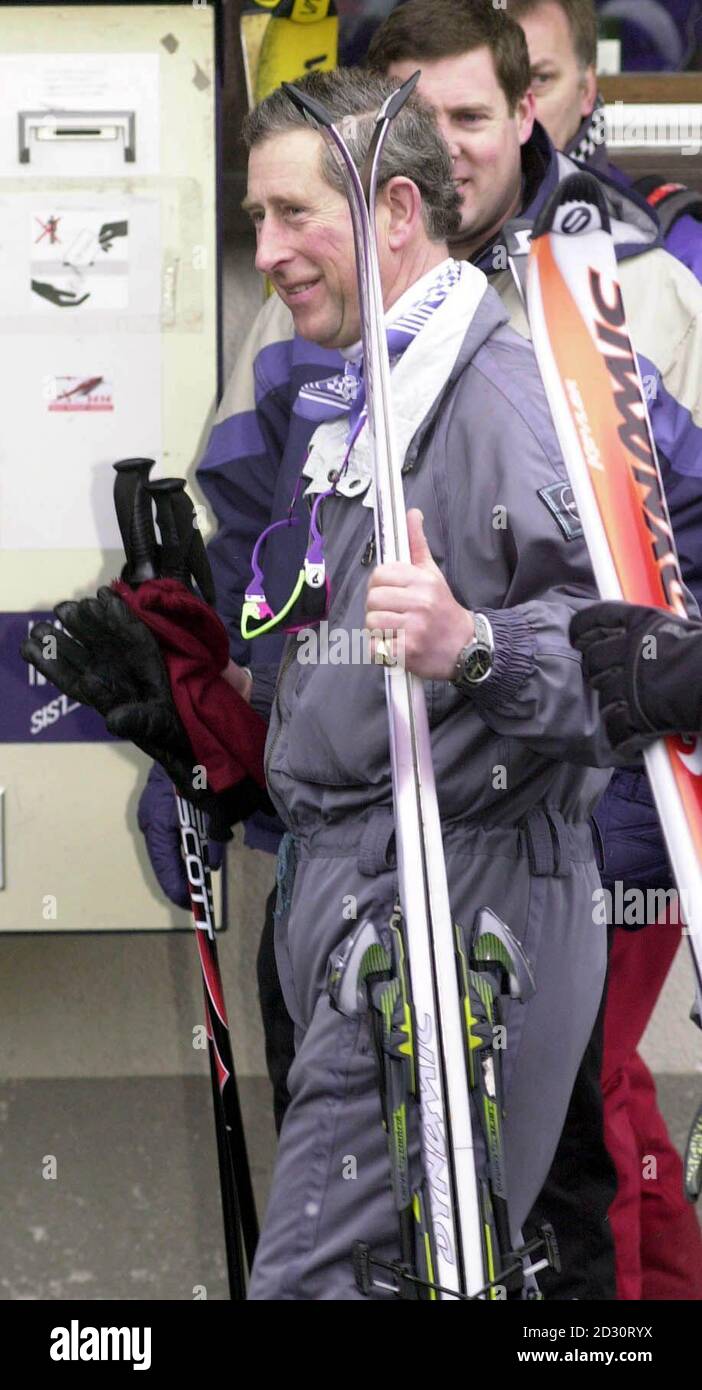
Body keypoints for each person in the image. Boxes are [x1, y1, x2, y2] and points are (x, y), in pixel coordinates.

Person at [235, 61, 622, 1301]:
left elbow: (627, 656)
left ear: (397, 212)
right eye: (256, 219)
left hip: (460, 903)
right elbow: (333, 651)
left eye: (298, 214)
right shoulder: (362, 395)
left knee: (330, 1283)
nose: (269, 248)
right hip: (363, 889)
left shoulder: (497, 398)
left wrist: (477, 644)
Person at [508, 0, 702, 1299]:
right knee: (573, 1094)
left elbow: (677, 530)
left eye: (530, 83)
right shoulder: (382, 264)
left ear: (583, 95)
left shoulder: (639, 284)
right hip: (468, 794)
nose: (507, 116)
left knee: (585, 1089)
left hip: (616, 794)